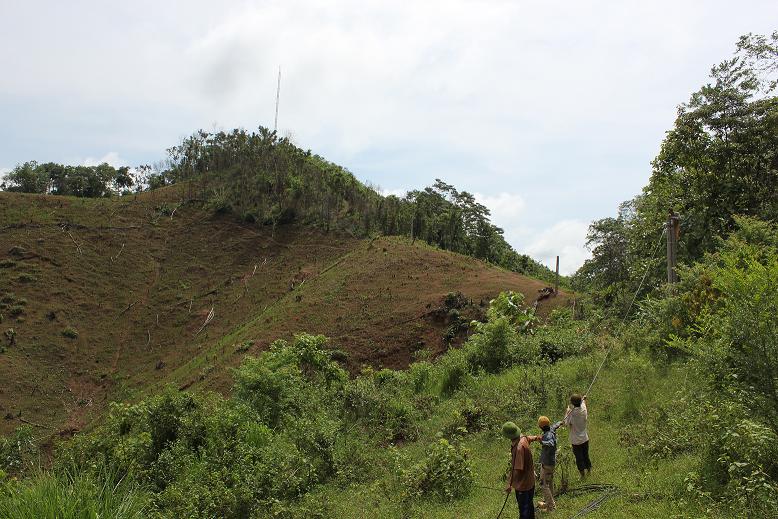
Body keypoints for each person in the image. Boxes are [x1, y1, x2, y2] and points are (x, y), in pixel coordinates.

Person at [502, 421, 537, 519]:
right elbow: (529, 438)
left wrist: (509, 484)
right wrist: (538, 437)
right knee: (530, 506)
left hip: (523, 485)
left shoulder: (519, 449)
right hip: (531, 481)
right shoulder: (522, 438)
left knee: (524, 511)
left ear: (508, 436)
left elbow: (518, 470)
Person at [528, 415, 562, 512]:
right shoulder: (551, 429)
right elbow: (556, 425)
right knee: (549, 482)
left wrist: (542, 441)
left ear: (540, 427)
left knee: (543, 484)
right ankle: (550, 502)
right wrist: (560, 422)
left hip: (547, 463)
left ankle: (551, 507)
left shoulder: (547, 435)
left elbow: (550, 443)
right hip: (550, 462)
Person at [564, 394, 591, 479]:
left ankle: (582, 475)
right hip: (585, 438)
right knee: (586, 455)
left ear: (572, 403)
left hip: (576, 441)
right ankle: (589, 470)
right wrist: (583, 399)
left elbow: (566, 423)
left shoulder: (571, 414)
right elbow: (583, 404)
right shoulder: (583, 410)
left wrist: (567, 411)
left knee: (579, 458)